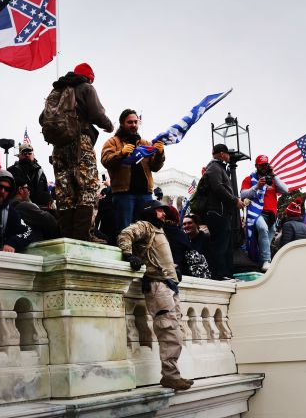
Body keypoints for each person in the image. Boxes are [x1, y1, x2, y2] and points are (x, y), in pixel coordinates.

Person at [117, 200, 194, 391]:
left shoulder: (158, 230)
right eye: (159, 211)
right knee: (169, 331)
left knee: (176, 332)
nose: (163, 214)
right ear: (150, 212)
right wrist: (128, 255)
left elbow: (160, 257)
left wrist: (174, 273)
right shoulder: (145, 226)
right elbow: (125, 234)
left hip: (168, 285)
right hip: (158, 285)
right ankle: (170, 376)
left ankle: (172, 374)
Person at [44, 63, 113, 241]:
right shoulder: (86, 88)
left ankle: (67, 236)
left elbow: (41, 118)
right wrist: (109, 125)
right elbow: (97, 113)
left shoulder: (56, 91)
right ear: (89, 77)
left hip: (59, 146)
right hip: (80, 141)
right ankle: (83, 237)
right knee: (87, 187)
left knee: (65, 190)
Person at [101, 109, 165, 231]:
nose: (134, 125)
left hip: (145, 195)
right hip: (124, 195)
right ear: (122, 124)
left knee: (146, 230)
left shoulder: (145, 143)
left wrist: (160, 154)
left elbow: (155, 167)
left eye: (136, 122)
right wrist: (121, 153)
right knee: (125, 230)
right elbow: (105, 161)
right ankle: (126, 251)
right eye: (130, 122)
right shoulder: (112, 142)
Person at [196, 144, 245, 280]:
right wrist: (235, 200)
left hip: (221, 213)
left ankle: (226, 274)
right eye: (228, 154)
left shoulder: (218, 168)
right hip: (216, 212)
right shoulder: (214, 167)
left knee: (226, 245)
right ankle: (219, 275)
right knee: (220, 245)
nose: (229, 157)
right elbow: (218, 188)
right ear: (222, 154)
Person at [239, 155, 288, 270]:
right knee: (263, 229)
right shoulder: (249, 179)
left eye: (266, 164)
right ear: (256, 166)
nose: (264, 167)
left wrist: (274, 175)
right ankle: (266, 261)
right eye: (262, 165)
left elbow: (285, 190)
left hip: (272, 215)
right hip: (256, 213)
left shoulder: (272, 179)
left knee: (265, 243)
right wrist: (257, 186)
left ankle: (260, 265)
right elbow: (242, 195)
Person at [10, 177, 60, 243]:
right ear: (20, 190)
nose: (29, 191)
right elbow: (51, 221)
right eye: (27, 188)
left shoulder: (10, 206)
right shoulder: (24, 206)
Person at [7, 143, 51, 207]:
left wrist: (49, 199)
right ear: (19, 155)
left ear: (33, 155)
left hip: (41, 208)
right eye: (24, 153)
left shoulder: (40, 171)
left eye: (29, 153)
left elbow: (46, 190)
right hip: (21, 208)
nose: (27, 155)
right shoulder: (12, 170)